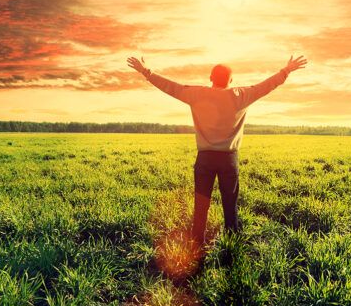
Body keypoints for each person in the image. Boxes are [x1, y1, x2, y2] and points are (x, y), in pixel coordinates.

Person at [127, 55, 308, 248]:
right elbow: (267, 85)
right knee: (230, 205)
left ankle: (198, 244)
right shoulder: (241, 95)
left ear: (210, 78)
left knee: (201, 205)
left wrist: (146, 71)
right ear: (230, 80)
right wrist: (286, 70)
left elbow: (170, 87)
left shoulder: (197, 94)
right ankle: (232, 244)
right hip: (229, 159)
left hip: (205, 158)